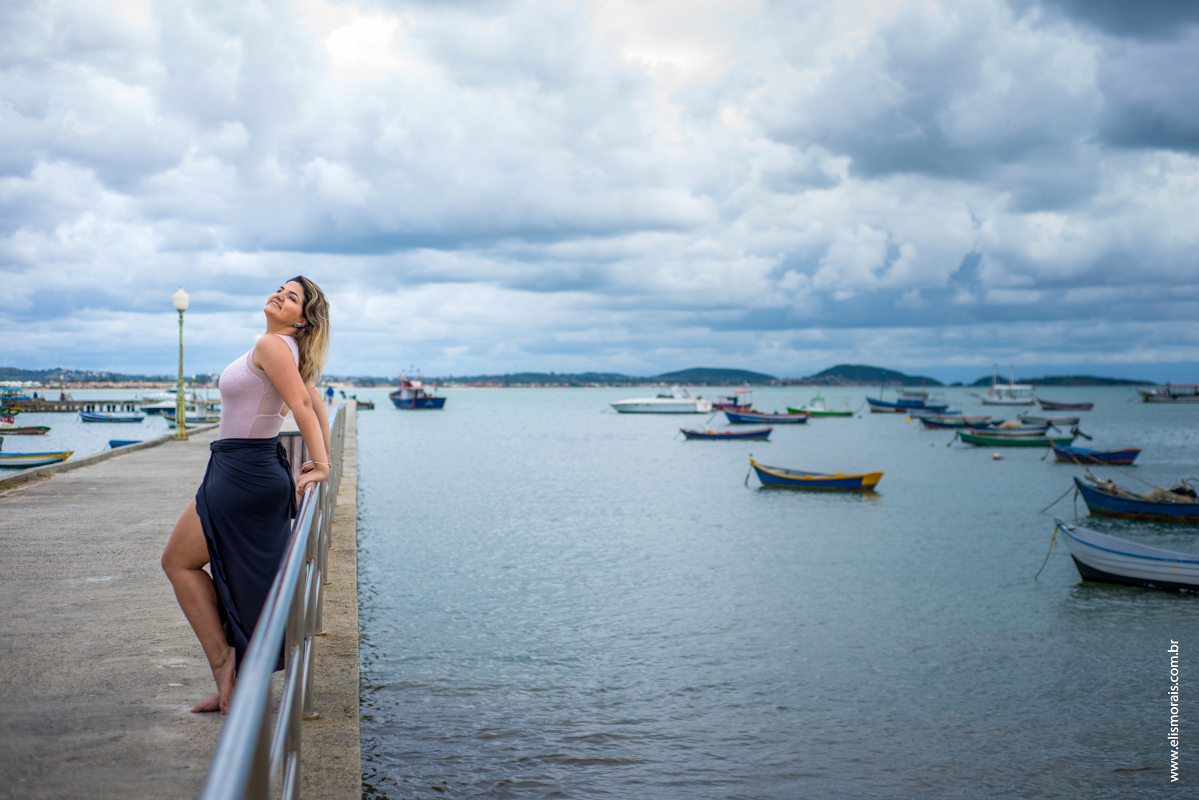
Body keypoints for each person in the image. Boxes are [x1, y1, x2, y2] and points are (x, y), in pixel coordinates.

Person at [161, 277, 332, 714]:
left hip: (243, 470)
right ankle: (232, 671)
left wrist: (322, 465)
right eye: (280, 288)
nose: (279, 295)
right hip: (244, 467)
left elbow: (303, 407)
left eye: (292, 297)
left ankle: (226, 667)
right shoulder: (285, 351)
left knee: (178, 561)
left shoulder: (274, 346)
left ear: (303, 319)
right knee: (229, 573)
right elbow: (314, 403)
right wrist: (322, 457)